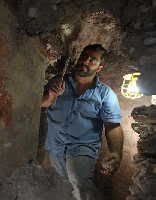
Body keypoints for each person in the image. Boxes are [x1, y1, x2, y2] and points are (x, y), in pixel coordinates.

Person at [41, 44, 124, 200]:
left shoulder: (105, 94)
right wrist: (51, 96)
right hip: (54, 146)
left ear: (99, 67)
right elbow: (40, 104)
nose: (85, 61)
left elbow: (112, 125)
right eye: (84, 56)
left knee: (79, 184)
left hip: (82, 148)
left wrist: (116, 152)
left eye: (92, 60)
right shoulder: (58, 82)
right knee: (59, 188)